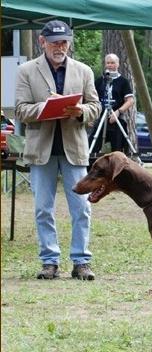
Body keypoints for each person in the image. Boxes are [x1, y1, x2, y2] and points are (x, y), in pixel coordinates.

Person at [15, 20, 101, 280]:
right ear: (42, 42)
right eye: (54, 42)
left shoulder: (84, 71)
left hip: (74, 149)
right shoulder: (26, 71)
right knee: (43, 208)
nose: (59, 47)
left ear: (69, 42)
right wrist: (46, 109)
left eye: (63, 42)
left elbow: (95, 106)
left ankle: (81, 261)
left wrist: (81, 111)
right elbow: (20, 109)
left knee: (82, 208)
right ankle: (49, 261)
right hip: (40, 150)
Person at [88, 53, 134, 153]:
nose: (110, 65)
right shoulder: (100, 81)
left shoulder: (123, 81)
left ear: (118, 64)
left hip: (116, 120)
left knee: (117, 150)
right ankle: (91, 167)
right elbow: (91, 98)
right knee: (92, 146)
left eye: (112, 63)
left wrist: (118, 112)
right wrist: (91, 117)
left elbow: (130, 100)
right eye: (108, 63)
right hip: (100, 119)